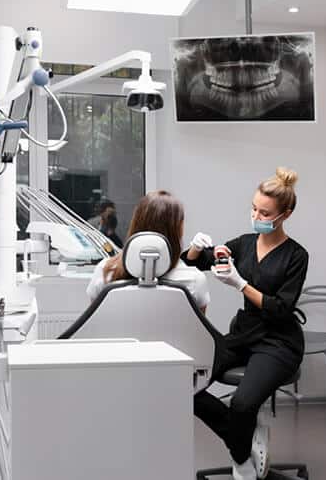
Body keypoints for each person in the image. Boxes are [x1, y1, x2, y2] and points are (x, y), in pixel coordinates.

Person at [182, 167, 309, 480]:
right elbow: (194, 261)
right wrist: (199, 247)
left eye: (264, 212)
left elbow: (280, 309)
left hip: (278, 342)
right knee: (182, 383)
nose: (256, 215)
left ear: (285, 214)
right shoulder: (244, 243)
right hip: (242, 335)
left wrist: (240, 284)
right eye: (254, 208)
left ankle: (241, 463)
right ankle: (244, 438)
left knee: (241, 405)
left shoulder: (296, 256)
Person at [86, 190, 210, 314]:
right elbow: (198, 332)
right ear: (177, 231)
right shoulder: (194, 281)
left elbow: (95, 326)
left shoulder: (105, 271)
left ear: (136, 223)